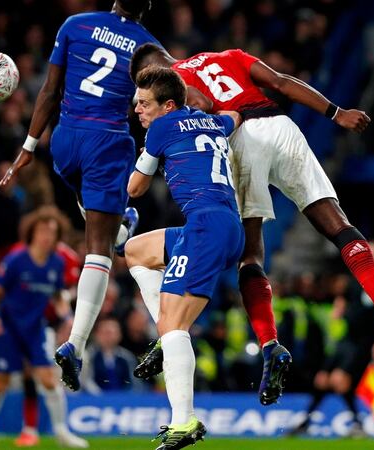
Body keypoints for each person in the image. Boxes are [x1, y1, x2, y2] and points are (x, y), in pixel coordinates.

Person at [128, 44, 374, 403]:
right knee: (338, 225)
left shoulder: (177, 86)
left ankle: (269, 345)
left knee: (251, 256)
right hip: (282, 126)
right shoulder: (225, 56)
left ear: (154, 71)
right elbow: (280, 81)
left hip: (242, 141)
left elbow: (197, 106)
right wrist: (336, 113)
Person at [0, 0, 160, 391]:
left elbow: (50, 91)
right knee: (97, 250)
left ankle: (122, 226)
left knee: (101, 217)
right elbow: (175, 81)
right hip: (105, 141)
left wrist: (27, 147)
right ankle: (75, 344)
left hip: (64, 142)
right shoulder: (145, 46)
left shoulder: (75, 24)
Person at [125, 66, 243, 449]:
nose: (138, 111)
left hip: (205, 227)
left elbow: (136, 187)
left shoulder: (161, 128)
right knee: (135, 251)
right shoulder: (212, 122)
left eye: (144, 104)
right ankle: (167, 340)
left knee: (172, 326)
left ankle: (183, 422)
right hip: (224, 226)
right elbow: (234, 116)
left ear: (169, 105)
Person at [0, 209, 86, 448]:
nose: (47, 236)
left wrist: (67, 316)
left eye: (52, 232)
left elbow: (58, 296)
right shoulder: (16, 259)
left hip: (35, 329)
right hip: (8, 328)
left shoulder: (57, 263)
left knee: (48, 379)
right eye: (42, 231)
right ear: (32, 232)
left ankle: (61, 432)